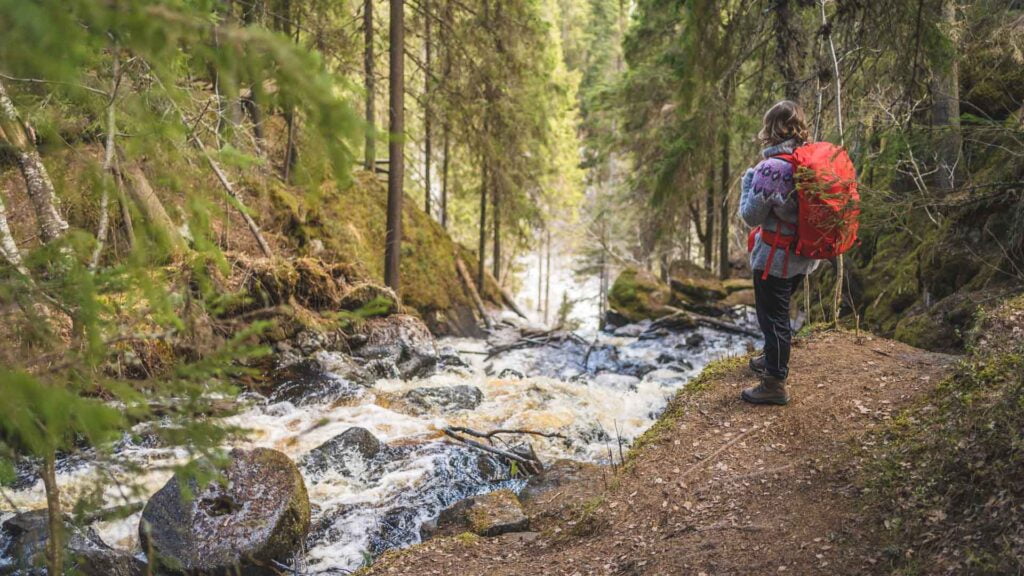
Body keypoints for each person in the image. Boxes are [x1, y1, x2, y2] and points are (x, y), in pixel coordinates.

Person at [738, 100, 818, 405]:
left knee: (773, 318)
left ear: (771, 129)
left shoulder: (770, 169)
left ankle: (774, 383)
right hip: (802, 257)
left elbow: (751, 216)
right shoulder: (807, 160)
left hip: (774, 258)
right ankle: (771, 359)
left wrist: (748, 183)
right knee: (779, 315)